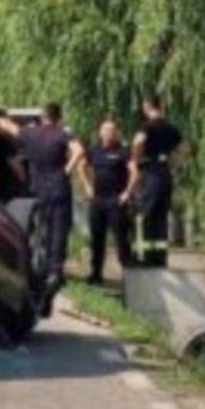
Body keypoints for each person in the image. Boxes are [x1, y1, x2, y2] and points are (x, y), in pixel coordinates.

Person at [0, 102, 83, 291]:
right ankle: (55, 272)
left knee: (39, 228)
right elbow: (79, 151)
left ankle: (36, 268)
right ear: (58, 117)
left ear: (43, 116)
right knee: (58, 228)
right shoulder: (62, 133)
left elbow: (9, 127)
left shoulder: (31, 133)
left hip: (37, 189)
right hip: (58, 187)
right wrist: (66, 170)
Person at [124, 95, 183, 268]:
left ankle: (143, 256)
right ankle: (160, 257)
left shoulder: (147, 126)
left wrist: (135, 160)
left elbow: (138, 142)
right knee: (161, 216)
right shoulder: (171, 128)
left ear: (147, 106)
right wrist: (174, 164)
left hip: (150, 174)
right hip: (166, 174)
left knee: (144, 215)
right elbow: (183, 149)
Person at [77, 117, 134, 284]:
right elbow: (81, 166)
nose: (108, 133)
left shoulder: (123, 151)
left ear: (116, 133)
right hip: (98, 201)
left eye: (112, 130)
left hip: (116, 201)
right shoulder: (94, 150)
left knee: (121, 239)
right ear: (100, 133)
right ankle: (96, 274)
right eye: (106, 130)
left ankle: (129, 274)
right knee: (97, 238)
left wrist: (127, 192)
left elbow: (135, 171)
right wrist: (87, 186)